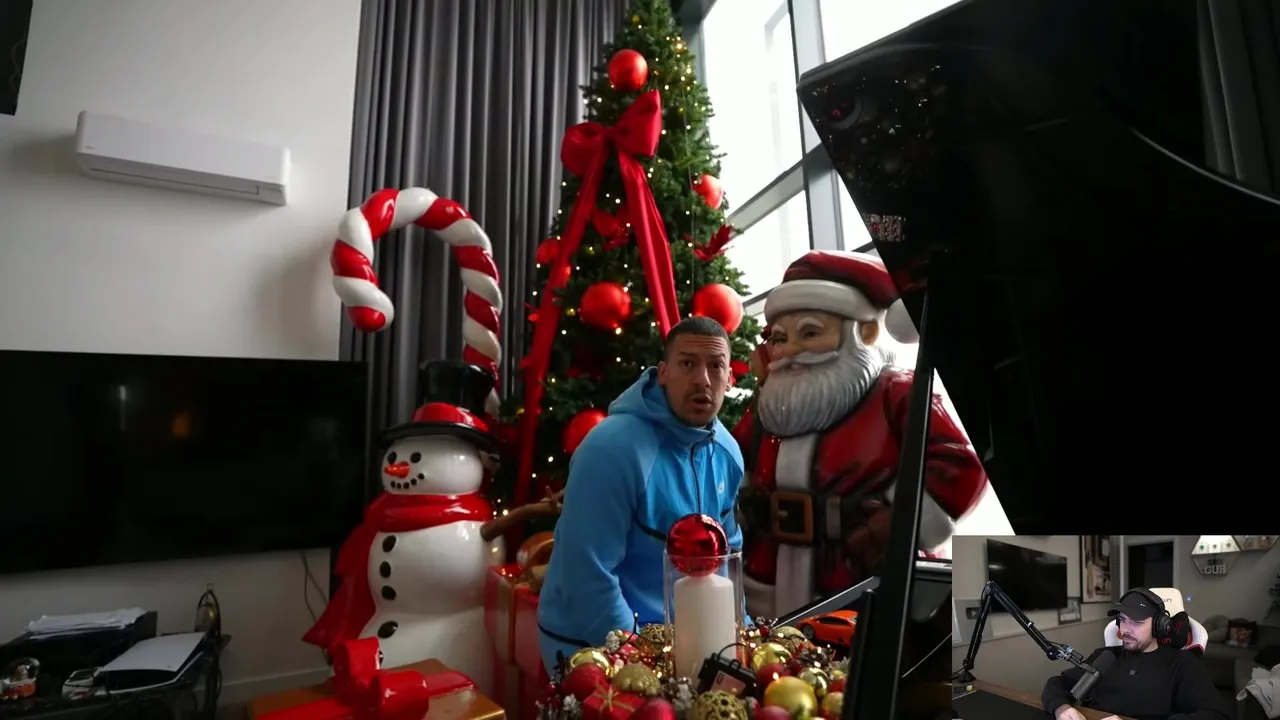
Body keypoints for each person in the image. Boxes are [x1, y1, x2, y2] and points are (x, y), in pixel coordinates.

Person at [733, 250, 989, 618]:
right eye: (780, 338)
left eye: (810, 333)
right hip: (771, 572)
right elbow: (733, 464)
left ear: (863, 332)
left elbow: (960, 466)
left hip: (860, 571)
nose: (790, 351)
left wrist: (896, 522)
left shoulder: (898, 393)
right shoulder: (770, 403)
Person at [536, 316, 745, 676]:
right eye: (687, 364)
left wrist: (740, 636)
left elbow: (727, 559)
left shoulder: (728, 453)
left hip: (684, 646)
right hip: (590, 647)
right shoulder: (611, 449)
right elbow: (586, 573)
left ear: (729, 379)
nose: (702, 379)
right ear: (662, 373)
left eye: (715, 366)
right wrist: (639, 659)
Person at [1041, 588, 1232, 720]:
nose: (1125, 629)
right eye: (1123, 620)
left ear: (1159, 626)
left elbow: (1217, 714)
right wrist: (1062, 708)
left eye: (1137, 622)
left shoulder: (1181, 663)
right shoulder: (1105, 657)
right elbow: (1057, 683)